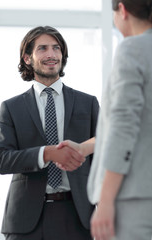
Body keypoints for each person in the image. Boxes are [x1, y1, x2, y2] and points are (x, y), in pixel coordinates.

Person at [0, 26, 99, 240]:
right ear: (27, 58)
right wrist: (46, 153)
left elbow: (105, 155)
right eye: (42, 48)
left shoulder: (88, 103)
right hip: (26, 220)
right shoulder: (11, 108)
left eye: (56, 48)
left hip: (78, 215)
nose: (51, 54)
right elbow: (2, 160)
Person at [58, 1, 152, 239]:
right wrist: (84, 147)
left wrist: (107, 200)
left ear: (122, 10)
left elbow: (123, 127)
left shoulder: (133, 49)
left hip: (136, 197)